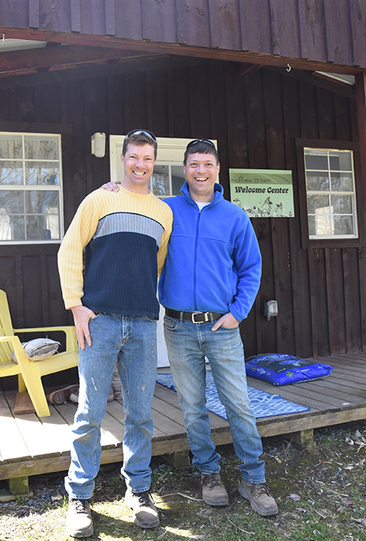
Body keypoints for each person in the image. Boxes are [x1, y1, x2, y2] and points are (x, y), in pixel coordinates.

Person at [104, 138, 278, 517]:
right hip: (179, 328)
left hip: (222, 327)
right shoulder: (166, 210)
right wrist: (111, 190)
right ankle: (209, 474)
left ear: (218, 169)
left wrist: (238, 312)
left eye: (208, 164)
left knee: (239, 404)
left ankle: (254, 478)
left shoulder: (235, 216)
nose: (201, 171)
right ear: (185, 169)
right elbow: (133, 205)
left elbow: (251, 268)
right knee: (193, 406)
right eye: (194, 164)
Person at [57, 129, 173, 538]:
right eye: (134, 157)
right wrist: (76, 306)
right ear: (123, 160)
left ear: (154, 163)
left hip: (142, 324)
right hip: (100, 322)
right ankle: (80, 498)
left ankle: (139, 491)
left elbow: (155, 263)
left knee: (141, 415)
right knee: (89, 412)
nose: (140, 165)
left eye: (147, 158)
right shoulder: (98, 200)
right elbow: (70, 249)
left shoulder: (163, 212)